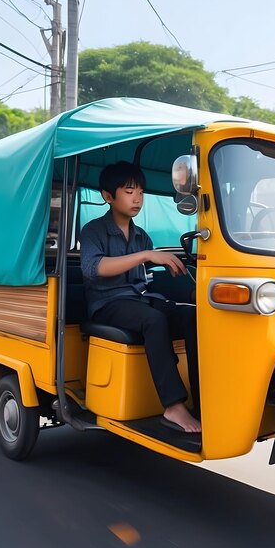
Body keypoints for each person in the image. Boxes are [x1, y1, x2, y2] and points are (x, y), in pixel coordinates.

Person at [80, 161, 201, 433]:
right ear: (107, 196)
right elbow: (92, 269)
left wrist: (189, 287)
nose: (137, 198)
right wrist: (147, 255)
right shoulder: (94, 231)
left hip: (138, 299)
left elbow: (145, 280)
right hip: (107, 304)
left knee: (193, 316)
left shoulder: (141, 236)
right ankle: (173, 407)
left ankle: (203, 401)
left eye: (141, 192)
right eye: (128, 191)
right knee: (154, 320)